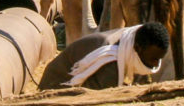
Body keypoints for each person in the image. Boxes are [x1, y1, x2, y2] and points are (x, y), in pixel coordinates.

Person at [37, 22, 169, 90]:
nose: (156, 64)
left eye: (160, 58)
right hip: (54, 87)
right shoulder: (109, 60)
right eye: (154, 59)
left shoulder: (132, 42)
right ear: (138, 49)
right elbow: (102, 100)